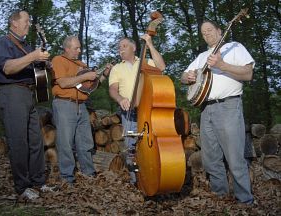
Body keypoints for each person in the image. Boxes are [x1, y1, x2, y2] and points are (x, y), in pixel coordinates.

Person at [181, 20, 254, 204]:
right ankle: (220, 197)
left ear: (220, 31)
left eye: (210, 30)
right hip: (206, 109)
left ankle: (245, 201)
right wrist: (188, 77)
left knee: (235, 157)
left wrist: (222, 65)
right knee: (211, 158)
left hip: (229, 106)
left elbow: (248, 74)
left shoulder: (234, 47)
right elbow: (183, 76)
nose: (207, 34)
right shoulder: (202, 56)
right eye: (203, 33)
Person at [0, 10, 54, 200]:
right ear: (14, 23)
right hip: (11, 93)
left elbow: (34, 69)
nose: (29, 23)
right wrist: (33, 56)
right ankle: (22, 187)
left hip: (29, 94)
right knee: (18, 142)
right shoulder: (3, 42)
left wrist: (45, 64)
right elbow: (8, 68)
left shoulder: (26, 46)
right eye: (26, 20)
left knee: (36, 141)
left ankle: (38, 181)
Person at [51, 36, 111, 184]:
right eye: (76, 48)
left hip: (82, 106)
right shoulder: (58, 60)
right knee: (65, 143)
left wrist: (104, 75)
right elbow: (63, 83)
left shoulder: (81, 64)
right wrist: (84, 76)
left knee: (85, 142)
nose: (79, 50)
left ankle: (89, 175)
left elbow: (90, 87)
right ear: (66, 48)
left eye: (79, 48)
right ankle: (67, 178)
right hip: (64, 104)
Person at [108, 35, 165, 183]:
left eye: (124, 46)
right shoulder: (116, 68)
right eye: (119, 47)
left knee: (151, 146)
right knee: (131, 149)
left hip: (148, 111)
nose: (121, 49)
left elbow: (161, 67)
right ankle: (137, 182)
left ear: (134, 48)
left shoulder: (145, 62)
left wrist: (150, 45)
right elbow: (113, 90)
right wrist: (121, 99)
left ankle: (154, 179)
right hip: (129, 112)